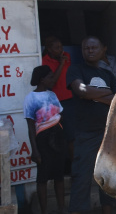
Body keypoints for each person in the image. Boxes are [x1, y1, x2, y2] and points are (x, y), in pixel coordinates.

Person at [66, 36, 116, 214]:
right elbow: (80, 90)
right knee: (81, 179)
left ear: (103, 49)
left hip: (107, 135)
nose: (89, 51)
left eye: (93, 47)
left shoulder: (108, 75)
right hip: (85, 134)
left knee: (108, 179)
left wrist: (92, 94)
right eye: (86, 48)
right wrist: (105, 94)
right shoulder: (75, 70)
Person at [23, 65, 66, 214]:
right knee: (42, 178)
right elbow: (30, 127)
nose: (53, 79)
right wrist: (35, 150)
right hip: (42, 141)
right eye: (50, 77)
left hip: (57, 139)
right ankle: (44, 211)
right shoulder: (30, 98)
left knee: (59, 176)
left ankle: (62, 209)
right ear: (42, 80)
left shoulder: (52, 95)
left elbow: (60, 115)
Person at [41, 35, 75, 169]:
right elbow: (52, 82)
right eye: (56, 48)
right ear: (49, 49)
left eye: (61, 47)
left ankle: (74, 168)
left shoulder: (66, 56)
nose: (60, 50)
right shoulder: (45, 61)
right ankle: (61, 168)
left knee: (72, 135)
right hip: (55, 102)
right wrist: (61, 64)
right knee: (58, 137)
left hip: (70, 100)